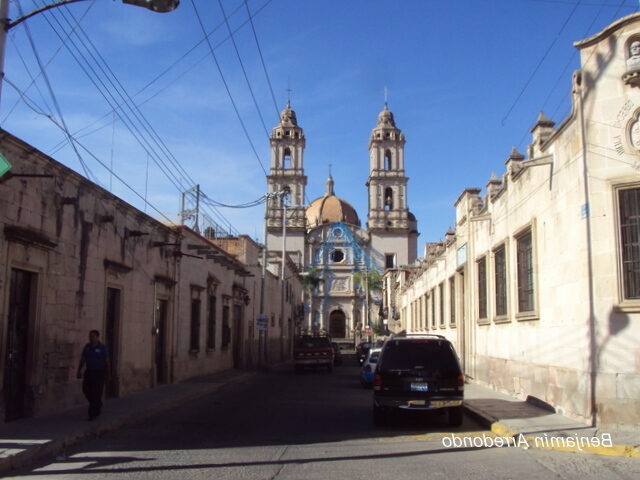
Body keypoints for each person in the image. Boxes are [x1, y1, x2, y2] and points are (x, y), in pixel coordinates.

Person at [76, 330, 110, 421]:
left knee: (96, 392)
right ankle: (97, 403)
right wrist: (79, 371)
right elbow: (83, 359)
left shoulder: (102, 348)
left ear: (97, 337)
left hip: (99, 373)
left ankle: (92, 413)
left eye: (93, 336)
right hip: (89, 372)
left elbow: (107, 361)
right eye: (90, 336)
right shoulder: (87, 347)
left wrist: (108, 374)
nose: (91, 338)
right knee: (86, 390)